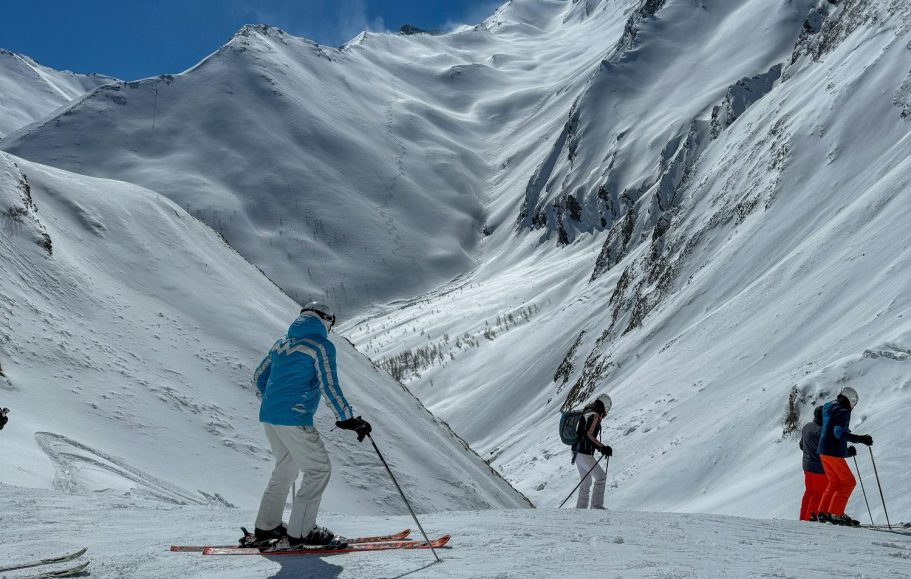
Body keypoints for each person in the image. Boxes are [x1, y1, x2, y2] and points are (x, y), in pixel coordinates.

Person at [250, 302, 372, 549]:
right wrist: (347, 418)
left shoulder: (281, 344)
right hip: (294, 418)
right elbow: (329, 385)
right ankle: (302, 532)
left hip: (270, 416)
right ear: (325, 320)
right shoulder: (320, 347)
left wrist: (276, 400)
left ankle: (266, 526)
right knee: (318, 470)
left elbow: (258, 377)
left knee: (286, 468)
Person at [816, 386, 873, 525]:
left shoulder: (828, 408)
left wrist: (846, 452)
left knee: (835, 482)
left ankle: (823, 512)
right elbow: (838, 433)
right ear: (851, 400)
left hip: (823, 451)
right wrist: (861, 439)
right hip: (833, 452)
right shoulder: (843, 411)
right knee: (849, 482)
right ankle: (836, 513)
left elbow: (830, 430)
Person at [574, 394, 613, 509]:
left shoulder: (587, 412)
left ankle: (581, 509)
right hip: (584, 453)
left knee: (586, 482)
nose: (606, 413)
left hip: (576, 452)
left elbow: (586, 435)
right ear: (605, 406)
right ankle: (596, 507)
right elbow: (589, 435)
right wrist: (602, 448)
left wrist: (600, 448)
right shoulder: (594, 416)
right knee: (601, 477)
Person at [799, 406, 836, 521]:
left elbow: (801, 445)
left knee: (809, 493)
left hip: (807, 467)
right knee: (818, 495)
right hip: (820, 469)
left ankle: (803, 519)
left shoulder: (807, 427)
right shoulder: (821, 431)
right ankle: (811, 518)